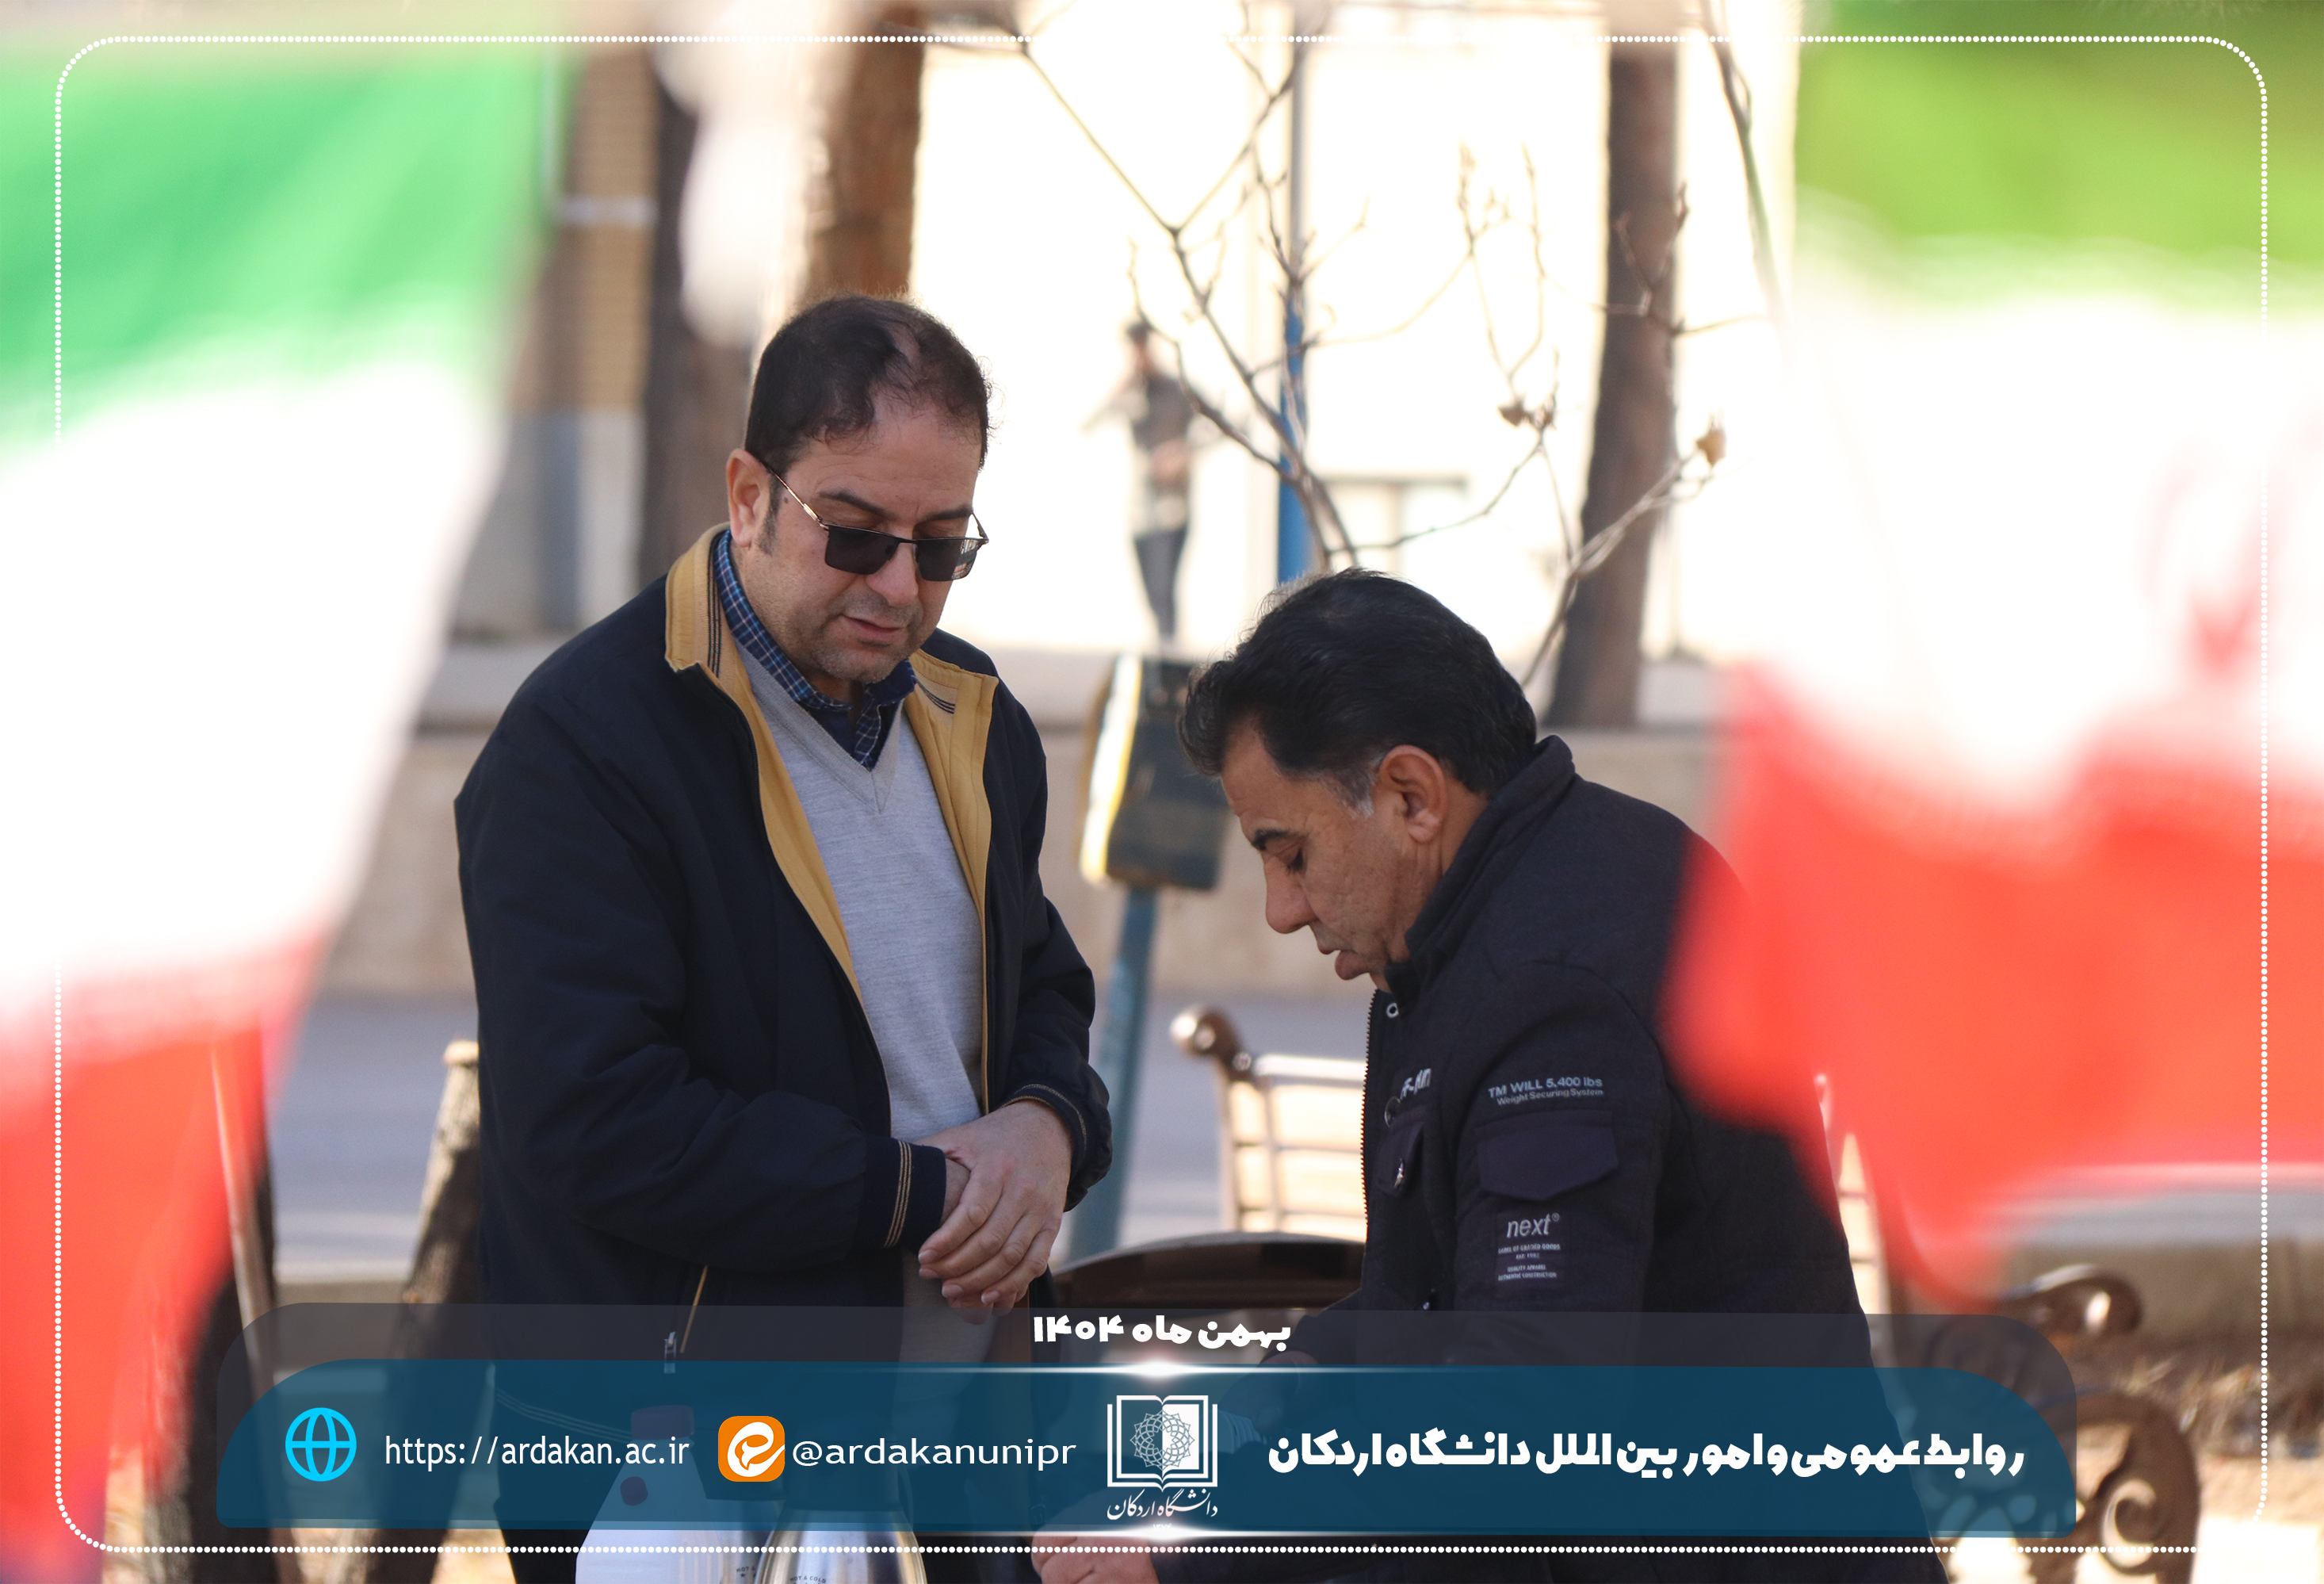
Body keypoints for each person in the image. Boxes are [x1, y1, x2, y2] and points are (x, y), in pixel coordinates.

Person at [1034, 570, 1937, 1583]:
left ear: (1411, 797)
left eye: (1290, 853)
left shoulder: (1550, 984)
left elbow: (1519, 1414)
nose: (1282, 909)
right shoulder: (1539, 889)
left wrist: (1192, 1551)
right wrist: (1195, 1443)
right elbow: (1420, 1312)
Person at [457, 294, 1110, 1582]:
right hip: (675, 1465)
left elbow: (1040, 983)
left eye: (942, 545)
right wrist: (927, 1190)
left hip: (961, 1445)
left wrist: (1048, 1124)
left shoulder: (978, 715)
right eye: (855, 534)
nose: (899, 586)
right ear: (749, 493)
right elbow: (593, 1117)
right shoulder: (583, 742)